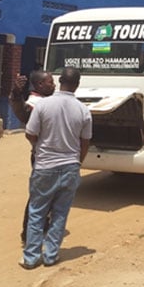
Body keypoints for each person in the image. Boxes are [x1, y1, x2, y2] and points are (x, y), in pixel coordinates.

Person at [20, 67, 92, 269]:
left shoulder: (43, 105)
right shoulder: (83, 110)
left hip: (45, 166)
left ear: (60, 81)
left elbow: (30, 133)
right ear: (77, 85)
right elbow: (85, 142)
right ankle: (51, 255)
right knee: (60, 214)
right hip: (70, 167)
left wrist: (39, 148)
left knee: (37, 212)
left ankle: (31, 257)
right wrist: (78, 162)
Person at [9, 70, 56, 245]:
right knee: (39, 196)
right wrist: (16, 93)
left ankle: (40, 227)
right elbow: (23, 115)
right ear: (39, 86)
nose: (54, 85)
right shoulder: (34, 103)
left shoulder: (47, 101)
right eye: (50, 82)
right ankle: (29, 233)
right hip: (42, 156)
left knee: (47, 195)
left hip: (49, 156)